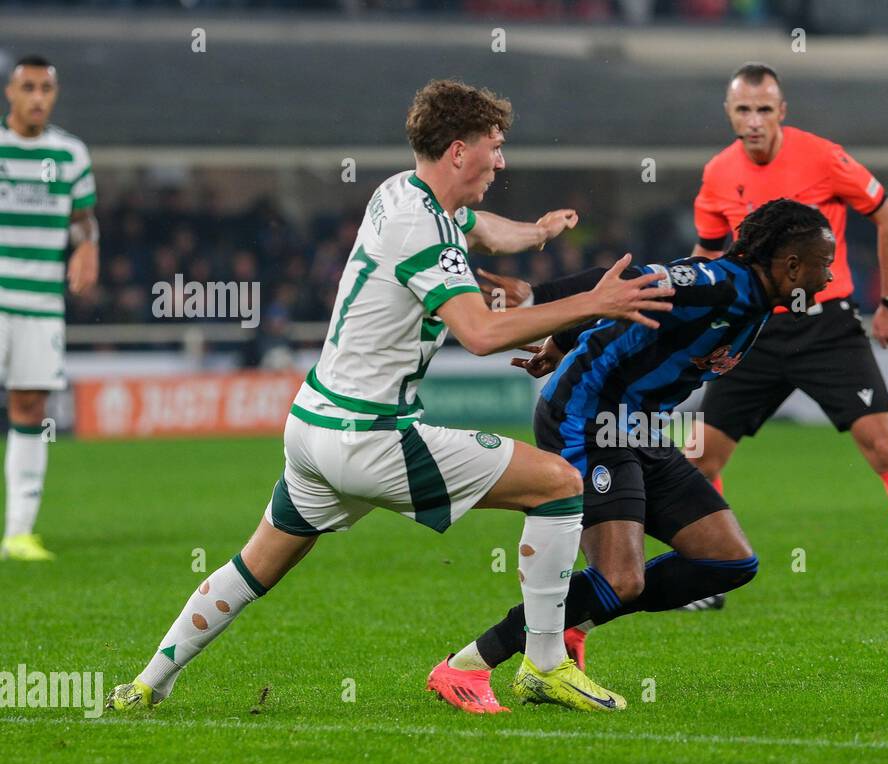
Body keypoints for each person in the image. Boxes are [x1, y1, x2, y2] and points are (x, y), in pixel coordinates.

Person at [105, 80, 672, 715]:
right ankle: (543, 665)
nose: (502, 161)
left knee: (255, 564)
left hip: (313, 426)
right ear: (459, 151)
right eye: (495, 146)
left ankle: (145, 685)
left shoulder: (402, 192)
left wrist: (536, 233)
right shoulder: (419, 229)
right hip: (370, 436)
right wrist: (593, 303)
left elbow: (479, 227)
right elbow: (480, 333)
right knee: (560, 484)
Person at [429, 198, 834, 710]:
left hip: (637, 429)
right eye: (826, 262)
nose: (830, 275)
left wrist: (561, 342)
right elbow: (620, 280)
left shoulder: (756, 304)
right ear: (792, 265)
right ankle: (468, 665)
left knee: (728, 561)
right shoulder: (719, 285)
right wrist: (538, 298)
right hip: (587, 418)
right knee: (621, 578)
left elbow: (632, 321)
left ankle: (567, 626)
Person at [688, 63, 888, 615]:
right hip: (755, 328)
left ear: (782, 112)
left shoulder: (822, 157)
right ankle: (710, 579)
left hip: (826, 325)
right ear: (728, 113)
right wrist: (698, 328)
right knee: (699, 457)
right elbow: (705, 257)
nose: (754, 120)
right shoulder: (718, 173)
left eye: (765, 109)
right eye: (743, 109)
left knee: (885, 447)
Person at [0, 55, 99, 561]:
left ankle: (18, 531)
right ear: (9, 94)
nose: (38, 97)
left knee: (30, 409)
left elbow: (83, 219)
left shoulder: (70, 154)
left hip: (40, 303)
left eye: (46, 88)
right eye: (28, 87)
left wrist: (87, 246)